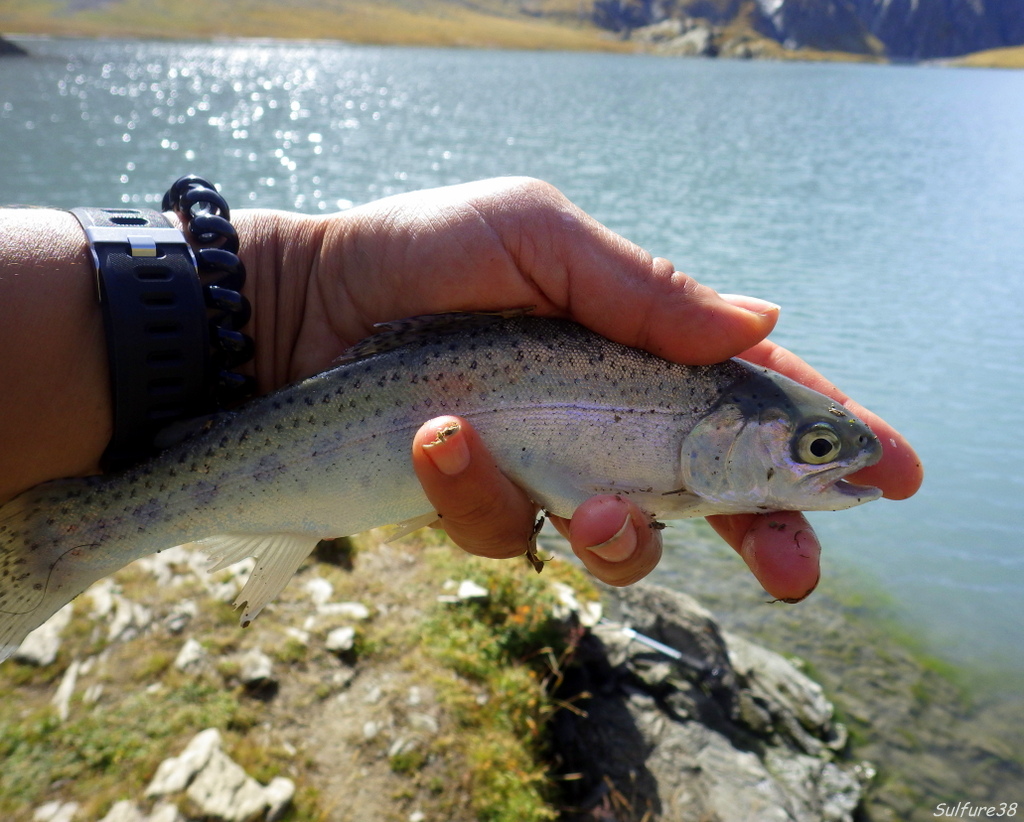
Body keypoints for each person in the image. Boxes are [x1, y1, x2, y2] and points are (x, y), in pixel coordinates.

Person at [0, 177, 922, 602]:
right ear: (738, 433)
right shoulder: (703, 396)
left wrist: (286, 294)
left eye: (819, 453)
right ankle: (61, 543)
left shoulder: (708, 402)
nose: (825, 465)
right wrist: (289, 292)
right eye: (815, 449)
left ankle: (63, 539)